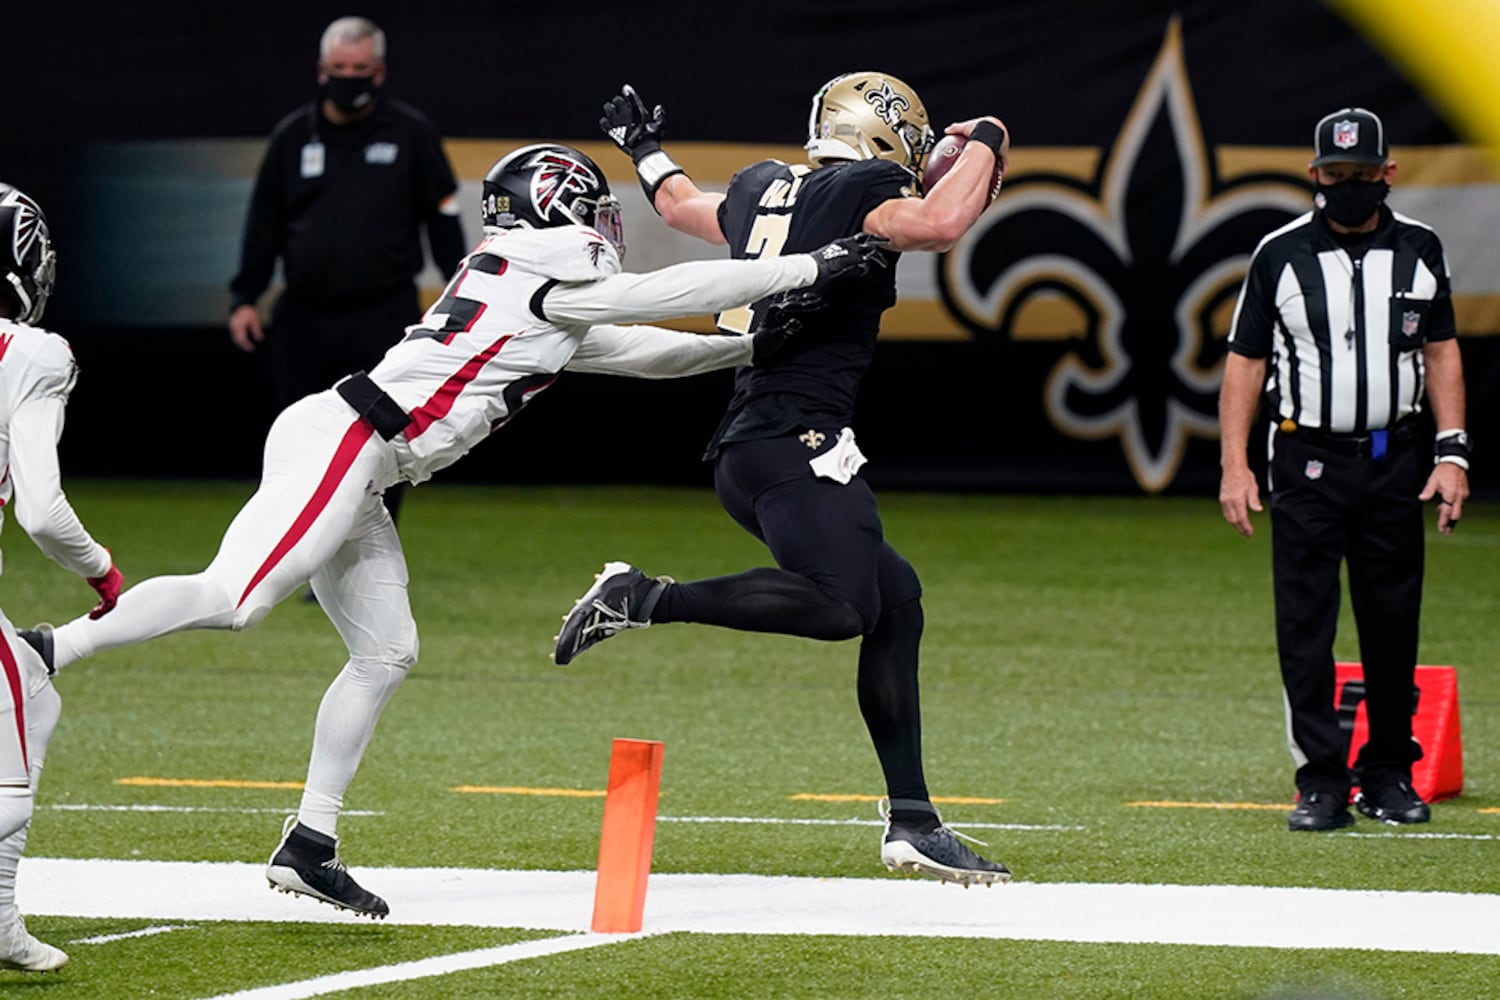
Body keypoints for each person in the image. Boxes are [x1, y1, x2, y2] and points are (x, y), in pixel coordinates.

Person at [24, 144, 887, 918]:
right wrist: (808, 268)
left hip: (368, 455)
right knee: (236, 597)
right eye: (592, 208)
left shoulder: (533, 287)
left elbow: (640, 347)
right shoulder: (549, 262)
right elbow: (664, 290)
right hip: (353, 437)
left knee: (386, 653)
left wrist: (746, 351)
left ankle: (308, 845)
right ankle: (44, 651)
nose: (602, 226)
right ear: (561, 204)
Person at [553, 74, 1012, 886]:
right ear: (880, 132)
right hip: (794, 439)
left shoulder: (767, 184)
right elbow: (941, 223)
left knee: (894, 603)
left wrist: (642, 148)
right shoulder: (868, 186)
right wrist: (991, 138)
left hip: (755, 445)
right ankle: (644, 596)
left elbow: (682, 207)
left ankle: (913, 820)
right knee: (842, 607)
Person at [1219, 107, 1470, 833]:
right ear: (1314, 175)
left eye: (1363, 176)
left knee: (1393, 622)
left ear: (1388, 174)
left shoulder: (1420, 250)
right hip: (1305, 461)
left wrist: (1452, 451)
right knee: (1305, 625)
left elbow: (1442, 350)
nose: (1350, 187)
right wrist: (1236, 464)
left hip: (1394, 459)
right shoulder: (1280, 254)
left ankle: (1389, 771)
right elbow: (1246, 362)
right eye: (1337, 175)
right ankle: (1320, 779)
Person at [228, 15, 467, 529]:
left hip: (385, 312)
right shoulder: (293, 137)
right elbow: (262, 222)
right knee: (300, 439)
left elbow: (443, 222)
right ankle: (299, 549)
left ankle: (366, 550)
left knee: (380, 438)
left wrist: (458, 296)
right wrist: (245, 296)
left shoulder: (411, 135)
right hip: (305, 316)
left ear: (378, 72)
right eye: (339, 68)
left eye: (359, 68)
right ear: (321, 70)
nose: (349, 77)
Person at [0, 184, 124, 971]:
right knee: (8, 765)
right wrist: (102, 571)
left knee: (32, 696)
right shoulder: (31, 353)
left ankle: (0, 917)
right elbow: (42, 512)